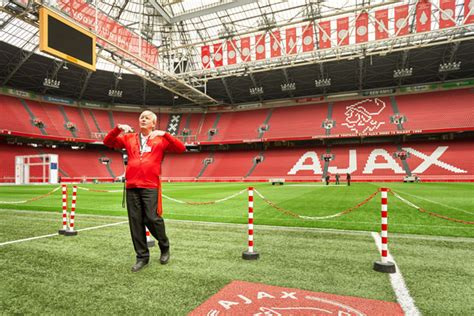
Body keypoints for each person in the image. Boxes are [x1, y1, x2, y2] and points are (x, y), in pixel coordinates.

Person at [103, 110, 186, 272]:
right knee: (135, 222)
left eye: (147, 117)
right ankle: (142, 257)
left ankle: (164, 245)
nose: (143, 119)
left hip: (150, 185)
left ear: (154, 123)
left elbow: (181, 148)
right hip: (132, 186)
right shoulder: (128, 138)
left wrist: (166, 134)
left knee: (152, 218)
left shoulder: (160, 139)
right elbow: (108, 142)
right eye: (141, 117)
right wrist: (118, 128)